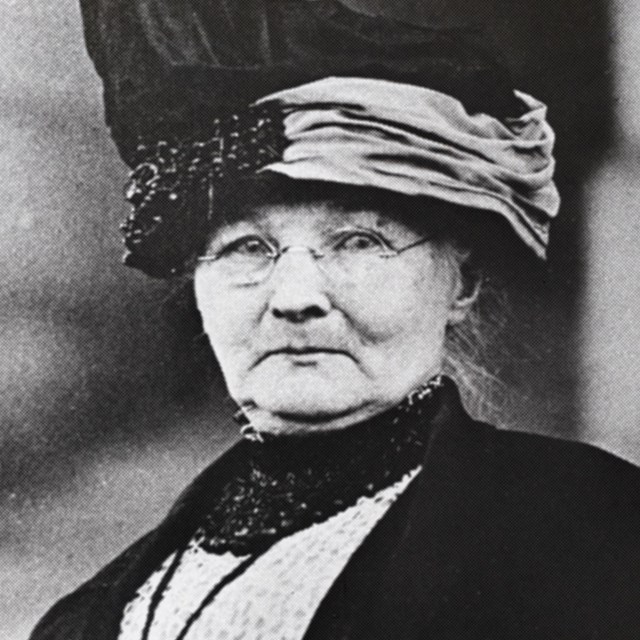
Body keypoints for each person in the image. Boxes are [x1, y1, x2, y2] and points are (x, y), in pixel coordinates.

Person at [31, 1, 640, 639]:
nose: (296, 297)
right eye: (247, 247)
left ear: (463, 282)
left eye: (356, 241)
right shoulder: (87, 619)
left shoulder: (588, 534)